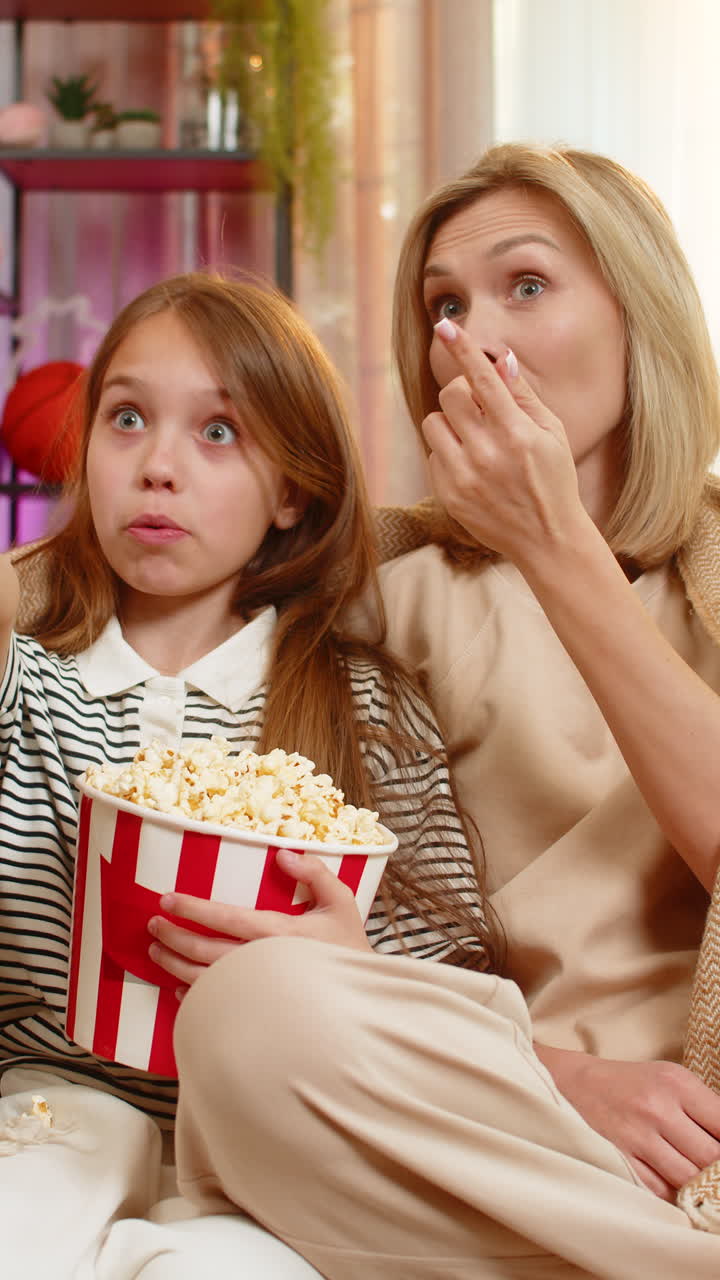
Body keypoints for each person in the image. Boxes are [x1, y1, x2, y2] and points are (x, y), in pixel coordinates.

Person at [168, 147, 720, 1277]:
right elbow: (87, 581)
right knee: (249, 1014)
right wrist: (559, 1075)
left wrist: (554, 539)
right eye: (444, 307)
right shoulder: (396, 584)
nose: (475, 337)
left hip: (698, 1118)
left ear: (640, 316)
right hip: (500, 1103)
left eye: (527, 285)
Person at [0, 272, 495, 1278]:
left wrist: (348, 963)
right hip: (47, 1111)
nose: (159, 466)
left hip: (276, 1143)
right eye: (126, 417)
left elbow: (455, 987)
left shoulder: (363, 707)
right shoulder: (25, 686)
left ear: (291, 490)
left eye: (218, 431)